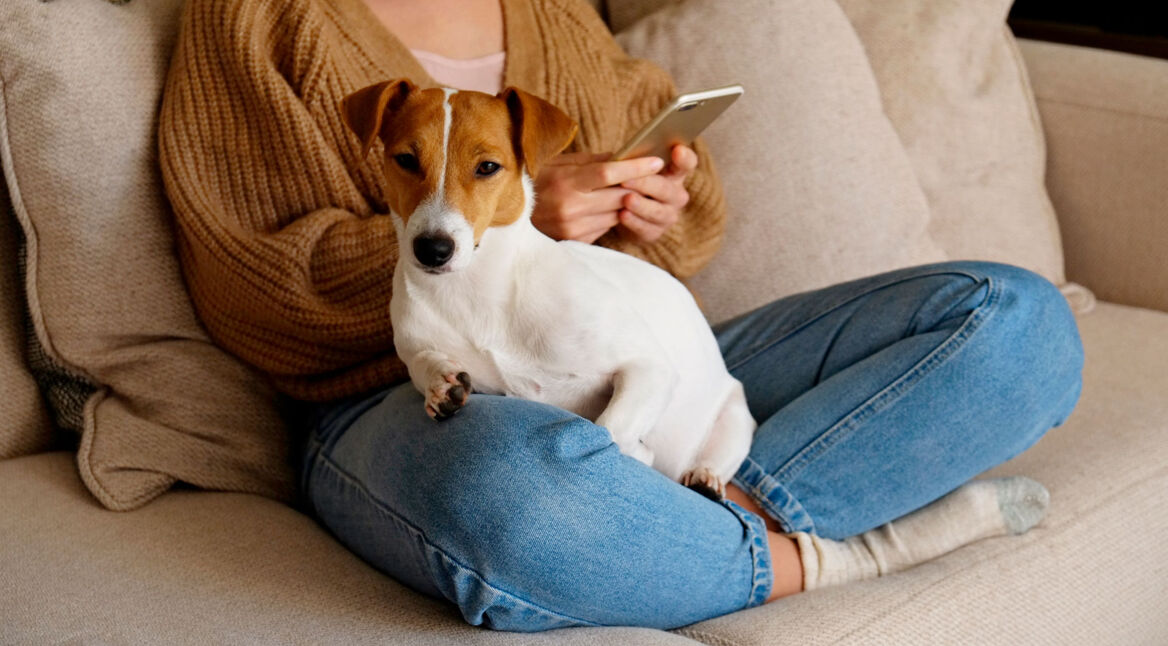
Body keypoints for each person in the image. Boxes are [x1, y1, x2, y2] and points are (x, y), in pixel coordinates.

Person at [157, 0, 1084, 631]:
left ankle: (707, 519)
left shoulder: (552, 9)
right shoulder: (253, 15)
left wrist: (660, 202)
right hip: (408, 396)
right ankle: (841, 555)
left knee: (1012, 321)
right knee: (514, 499)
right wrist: (508, 220)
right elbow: (247, 281)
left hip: (628, 352)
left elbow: (664, 153)